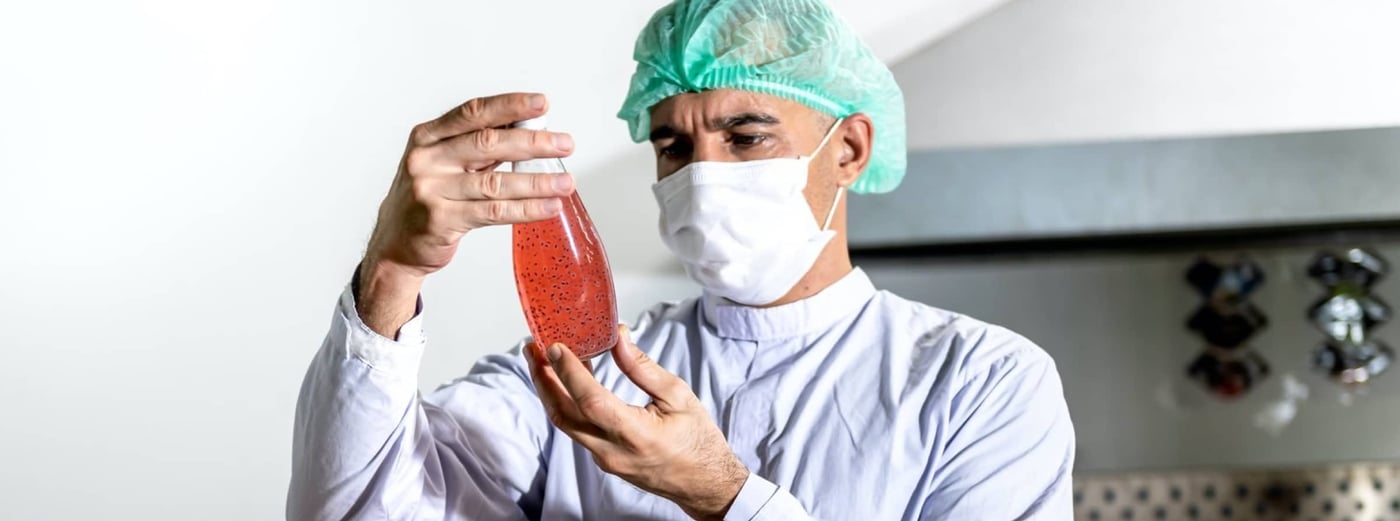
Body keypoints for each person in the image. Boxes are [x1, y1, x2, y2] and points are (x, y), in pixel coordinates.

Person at [287, 0, 1075, 519]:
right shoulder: (582, 383)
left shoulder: (980, 382)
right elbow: (354, 508)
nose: (703, 172)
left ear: (851, 149)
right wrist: (391, 275)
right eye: (673, 144)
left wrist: (723, 494)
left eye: (746, 134)